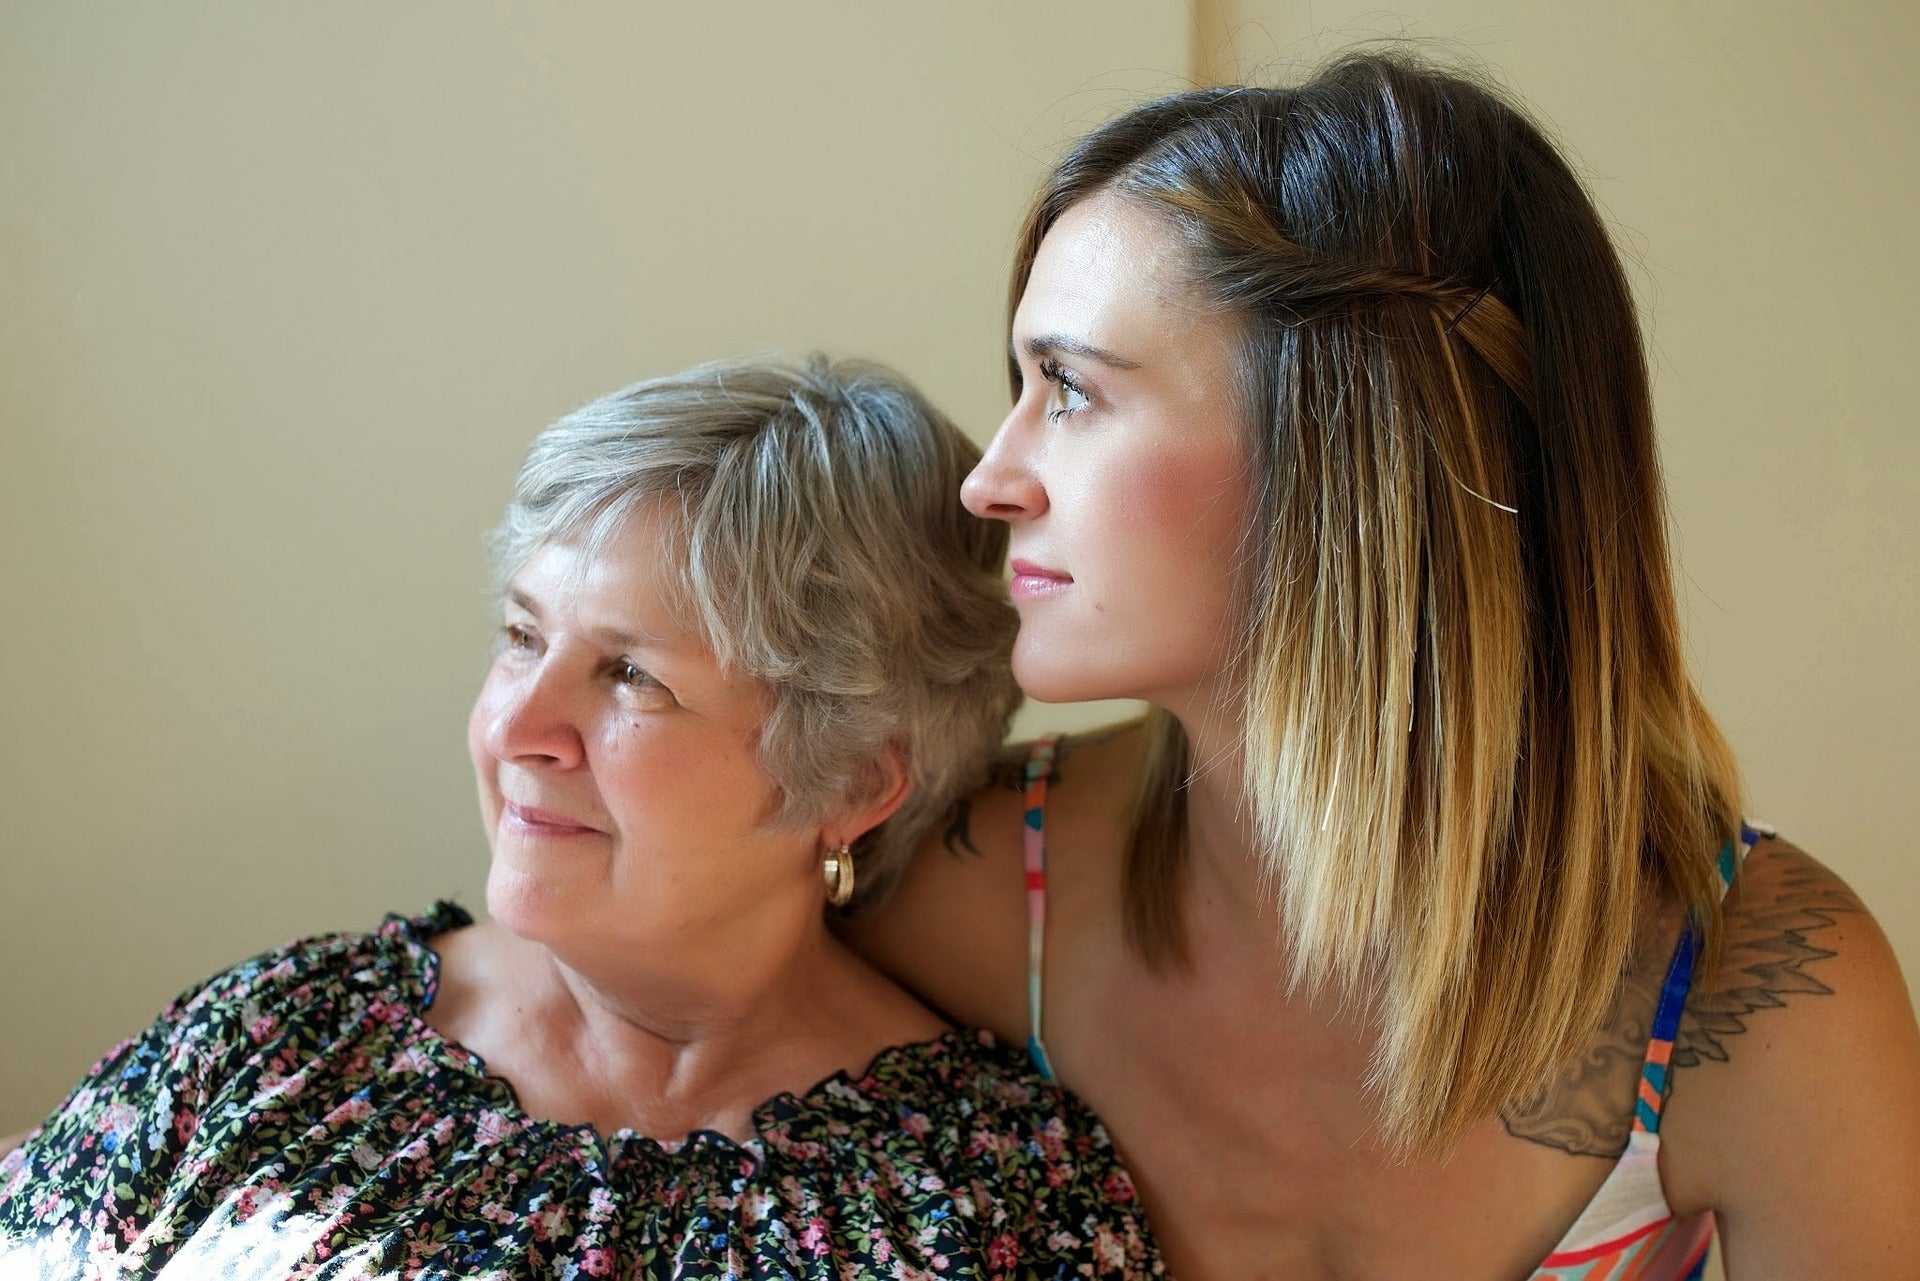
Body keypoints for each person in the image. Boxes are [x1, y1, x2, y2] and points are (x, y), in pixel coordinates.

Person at [854, 54, 1920, 1280]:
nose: (990, 479)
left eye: (1074, 390)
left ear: (1344, 454)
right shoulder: (945, 896)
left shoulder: (1772, 999)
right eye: (1022, 386)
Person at [0, 356, 1161, 1278]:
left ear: (854, 780)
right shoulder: (283, 1046)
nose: (517, 726)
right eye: (522, 637)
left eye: (631, 677)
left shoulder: (982, 1198)